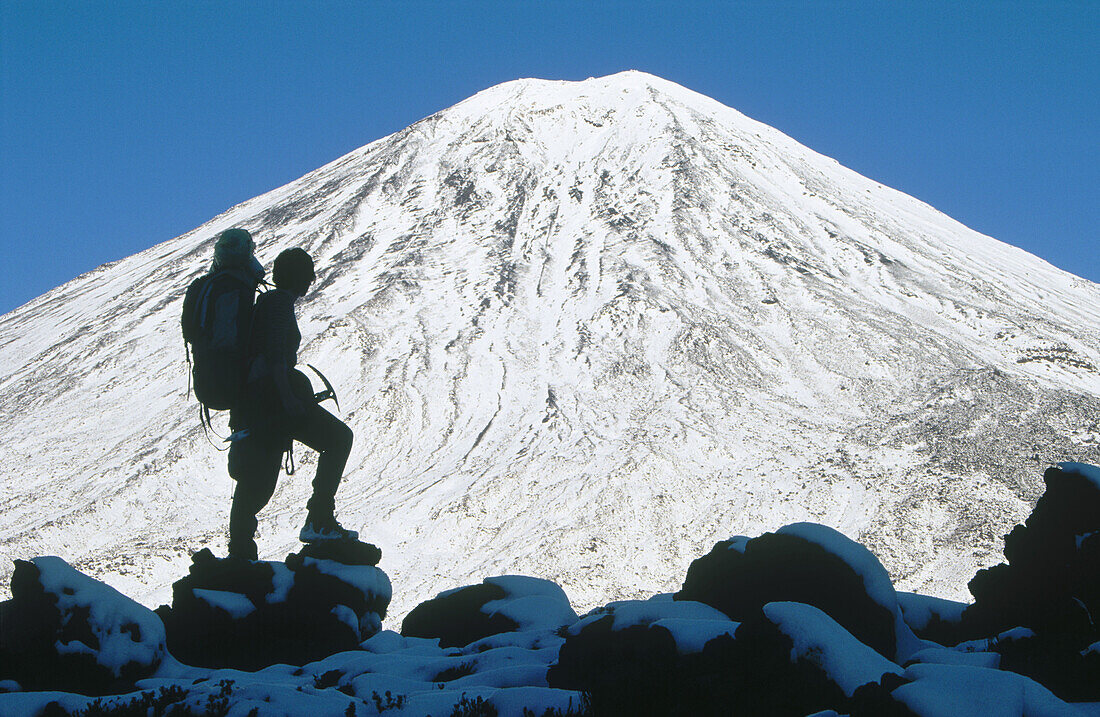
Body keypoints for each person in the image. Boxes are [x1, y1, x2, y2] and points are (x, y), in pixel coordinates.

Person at [226, 247, 356, 560]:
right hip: (273, 404)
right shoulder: (278, 303)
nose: (311, 280)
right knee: (339, 438)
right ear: (299, 276)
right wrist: (288, 398)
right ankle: (319, 519)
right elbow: (274, 357)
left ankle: (241, 550)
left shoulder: (267, 302)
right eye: (308, 273)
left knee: (257, 478)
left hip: (256, 406)